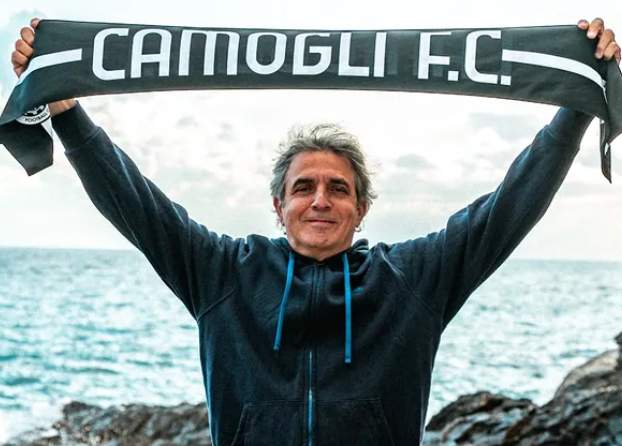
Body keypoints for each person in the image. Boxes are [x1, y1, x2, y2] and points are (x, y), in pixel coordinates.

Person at [11, 17, 621, 446]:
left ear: (362, 208)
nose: (321, 200)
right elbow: (133, 202)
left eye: (339, 188)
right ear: (278, 206)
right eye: (304, 187)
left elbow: (510, 206)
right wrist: (66, 110)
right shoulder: (223, 273)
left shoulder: (412, 280)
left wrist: (577, 99)